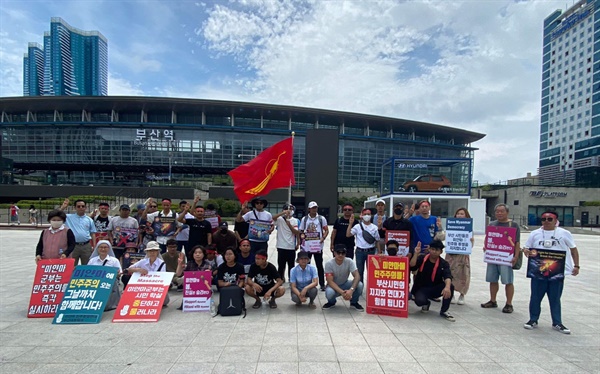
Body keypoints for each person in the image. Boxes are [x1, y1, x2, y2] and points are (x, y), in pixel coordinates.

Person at [522, 211, 580, 334]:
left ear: (556, 220)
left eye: (550, 219)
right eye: (544, 219)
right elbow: (527, 248)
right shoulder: (535, 234)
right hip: (539, 271)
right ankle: (533, 319)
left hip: (557, 271)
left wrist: (576, 265)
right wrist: (526, 251)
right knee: (535, 297)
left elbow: (574, 250)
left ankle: (557, 322)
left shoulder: (564, 233)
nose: (546, 222)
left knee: (555, 298)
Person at [481, 203, 521, 314]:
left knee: (508, 281)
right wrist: (486, 247)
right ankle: (492, 300)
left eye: (501, 211)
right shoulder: (493, 224)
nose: (499, 213)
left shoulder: (513, 225)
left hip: (506, 257)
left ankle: (509, 303)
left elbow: (517, 243)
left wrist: (516, 256)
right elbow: (488, 238)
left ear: (507, 212)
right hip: (493, 256)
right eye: (497, 211)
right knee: (492, 279)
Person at [409, 240, 455, 322]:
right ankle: (426, 303)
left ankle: (444, 310)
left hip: (435, 287)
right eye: (432, 249)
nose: (434, 252)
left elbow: (447, 276)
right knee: (419, 301)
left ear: (441, 252)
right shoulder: (422, 258)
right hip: (421, 288)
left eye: (437, 250)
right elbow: (412, 266)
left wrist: (447, 287)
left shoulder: (444, 263)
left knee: (450, 286)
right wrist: (416, 253)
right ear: (429, 249)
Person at [127, 241, 170, 307]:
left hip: (156, 287)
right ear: (147, 252)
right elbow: (129, 269)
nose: (152, 253)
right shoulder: (143, 262)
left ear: (157, 252)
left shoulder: (161, 263)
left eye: (154, 251)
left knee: (164, 301)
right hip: (143, 287)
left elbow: (162, 278)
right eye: (150, 251)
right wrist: (139, 270)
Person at [322, 244, 364, 311]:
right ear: (334, 253)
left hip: (345, 283)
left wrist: (351, 290)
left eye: (343, 253)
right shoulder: (329, 264)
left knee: (360, 284)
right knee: (329, 292)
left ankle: (354, 302)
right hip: (333, 286)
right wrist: (343, 293)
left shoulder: (349, 261)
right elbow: (330, 281)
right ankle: (331, 302)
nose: (340, 255)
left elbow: (357, 276)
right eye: (338, 252)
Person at [446, 207, 474, 305]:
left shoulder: (469, 228)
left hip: (463, 255)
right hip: (451, 255)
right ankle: (451, 293)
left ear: (466, 216)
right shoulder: (451, 225)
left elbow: (471, 244)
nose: (460, 215)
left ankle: (462, 295)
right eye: (458, 213)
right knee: (450, 273)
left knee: (464, 274)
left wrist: (471, 242)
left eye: (462, 214)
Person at [299, 201, 329, 291]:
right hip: (307, 246)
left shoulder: (321, 218)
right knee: (306, 264)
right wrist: (302, 240)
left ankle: (322, 284)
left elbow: (326, 230)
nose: (314, 209)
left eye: (315, 207)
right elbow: (301, 231)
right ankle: (306, 283)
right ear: (309, 209)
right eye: (312, 208)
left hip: (317, 246)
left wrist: (323, 238)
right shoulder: (304, 219)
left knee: (319, 265)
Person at [347, 208, 380, 286]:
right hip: (360, 252)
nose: (367, 216)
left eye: (368, 214)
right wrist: (350, 224)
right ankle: (360, 287)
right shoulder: (357, 226)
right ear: (361, 215)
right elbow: (348, 234)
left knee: (372, 271)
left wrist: (379, 252)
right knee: (360, 271)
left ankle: (372, 287)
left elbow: (377, 240)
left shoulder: (374, 227)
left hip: (371, 251)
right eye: (365, 214)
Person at [59, 198, 97, 265]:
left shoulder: (89, 219)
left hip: (86, 246)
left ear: (85, 207)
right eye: (78, 206)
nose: (81, 208)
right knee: (72, 266)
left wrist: (94, 246)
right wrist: (63, 207)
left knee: (87, 266)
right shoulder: (68, 217)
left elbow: (93, 233)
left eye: (83, 206)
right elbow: (56, 215)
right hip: (73, 246)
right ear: (75, 208)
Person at [88, 240, 122, 311]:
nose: (103, 249)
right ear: (97, 248)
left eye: (105, 247)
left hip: (109, 283)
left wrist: (117, 274)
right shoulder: (92, 260)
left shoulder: (114, 260)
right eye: (101, 247)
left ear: (109, 249)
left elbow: (120, 274)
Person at [274, 204, 300, 282]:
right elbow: (273, 218)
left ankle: (291, 279)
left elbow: (297, 232)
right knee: (281, 265)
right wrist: (283, 213)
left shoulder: (295, 220)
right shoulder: (279, 219)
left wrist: (298, 243)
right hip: (281, 246)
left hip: (291, 246)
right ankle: (280, 279)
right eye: (287, 209)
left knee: (291, 265)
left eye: (291, 209)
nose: (289, 211)